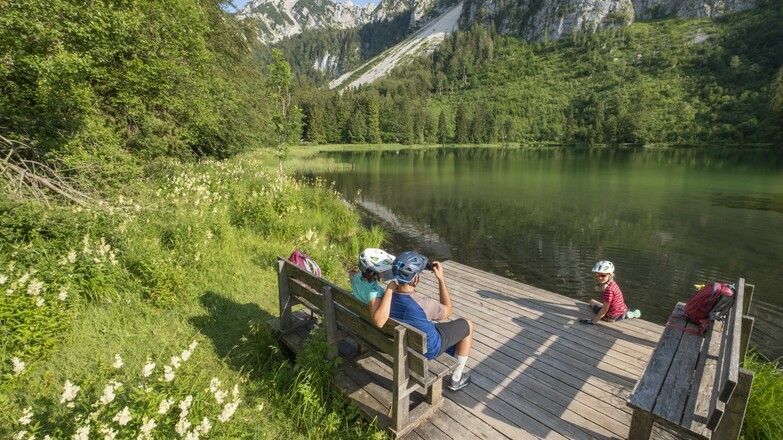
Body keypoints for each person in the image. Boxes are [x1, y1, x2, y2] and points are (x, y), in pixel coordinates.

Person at [371, 251, 474, 391]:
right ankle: (456, 379)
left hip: (403, 344)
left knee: (439, 326)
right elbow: (448, 310)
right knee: (467, 324)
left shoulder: (386, 299)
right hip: (428, 349)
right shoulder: (424, 304)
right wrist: (441, 279)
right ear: (415, 278)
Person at [580, 260, 640, 325]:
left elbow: (604, 310)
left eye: (603, 275)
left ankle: (616, 316)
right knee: (604, 304)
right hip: (623, 310)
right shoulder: (612, 283)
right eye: (597, 274)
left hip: (611, 317)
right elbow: (603, 284)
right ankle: (626, 315)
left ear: (609, 275)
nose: (600, 277)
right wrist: (600, 285)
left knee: (591, 301)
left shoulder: (608, 290)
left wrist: (593, 321)